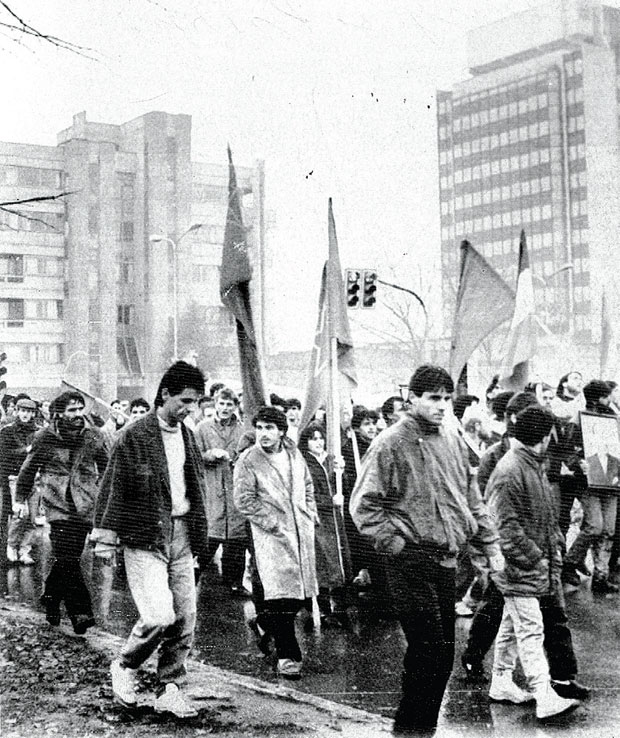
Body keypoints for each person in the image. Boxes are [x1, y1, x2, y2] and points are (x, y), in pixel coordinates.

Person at [350, 365, 503, 735]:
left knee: (443, 655)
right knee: (427, 650)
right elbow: (363, 507)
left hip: (446, 560)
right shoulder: (389, 443)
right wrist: (398, 545)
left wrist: (490, 546)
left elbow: (471, 499)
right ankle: (408, 730)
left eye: (447, 399)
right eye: (434, 398)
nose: (442, 406)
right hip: (410, 560)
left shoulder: (452, 438)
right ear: (412, 399)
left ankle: (424, 728)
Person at [92, 361, 209, 718]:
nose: (191, 409)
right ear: (166, 394)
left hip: (182, 535)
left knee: (185, 617)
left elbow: (196, 488)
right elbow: (112, 489)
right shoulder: (134, 435)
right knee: (159, 615)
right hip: (144, 536)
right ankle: (125, 666)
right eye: (186, 401)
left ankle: (169, 688)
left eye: (197, 402)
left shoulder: (188, 435)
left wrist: (200, 540)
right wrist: (106, 541)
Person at [486, 405, 582, 720]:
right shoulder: (514, 469)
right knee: (530, 628)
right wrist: (537, 558)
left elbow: (539, 519)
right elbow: (505, 528)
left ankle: (501, 681)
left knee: (514, 626)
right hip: (521, 567)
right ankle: (544, 694)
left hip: (526, 565)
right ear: (542, 437)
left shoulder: (525, 465)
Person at [234, 406, 318, 680]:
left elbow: (307, 484)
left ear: (281, 431)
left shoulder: (294, 454)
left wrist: (310, 512)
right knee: (281, 596)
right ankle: (288, 656)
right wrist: (271, 522)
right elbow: (244, 499)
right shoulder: (248, 460)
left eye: (269, 428)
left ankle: (262, 622)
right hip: (271, 536)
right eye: (259, 428)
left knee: (299, 596)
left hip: (300, 533)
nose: (263, 434)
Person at [15, 390, 108, 633]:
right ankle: (80, 612)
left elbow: (107, 468)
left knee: (69, 558)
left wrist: (104, 497)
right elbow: (28, 468)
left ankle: (51, 598)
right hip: (57, 503)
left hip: (85, 503)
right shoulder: (45, 436)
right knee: (67, 557)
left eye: (80, 409)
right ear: (59, 413)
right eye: (72, 410)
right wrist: (20, 499)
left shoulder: (93, 435)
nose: (78, 414)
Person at [563, 379, 619, 593]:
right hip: (589, 482)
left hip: (611, 482)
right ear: (600, 398)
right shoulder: (578, 420)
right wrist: (578, 463)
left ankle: (600, 575)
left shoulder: (614, 421)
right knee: (594, 525)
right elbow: (567, 451)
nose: (610, 399)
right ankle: (570, 561)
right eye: (606, 396)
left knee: (609, 530)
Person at [195, 386, 247, 595]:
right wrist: (209, 455)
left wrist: (238, 459)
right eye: (221, 404)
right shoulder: (202, 428)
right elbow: (193, 456)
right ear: (215, 404)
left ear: (235, 406)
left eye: (229, 404)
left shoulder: (243, 429)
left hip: (235, 490)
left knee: (236, 540)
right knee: (209, 539)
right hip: (212, 490)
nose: (225, 408)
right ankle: (191, 582)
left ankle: (235, 582)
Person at [298, 421, 351, 626]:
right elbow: (305, 494)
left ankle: (339, 606)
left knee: (340, 560)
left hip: (335, 519)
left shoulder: (331, 460)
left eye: (321, 438)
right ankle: (321, 610)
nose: (318, 443)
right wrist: (329, 502)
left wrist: (341, 472)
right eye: (313, 439)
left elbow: (341, 488)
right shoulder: (304, 463)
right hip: (318, 519)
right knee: (322, 563)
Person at [1, 397, 39, 564]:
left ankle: (25, 549)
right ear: (16, 411)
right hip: (15, 478)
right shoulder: (7, 431)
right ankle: (11, 546)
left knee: (32, 517)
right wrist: (26, 450)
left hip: (35, 479)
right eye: (23, 411)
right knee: (19, 515)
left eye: (29, 412)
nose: (25, 415)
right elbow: (4, 454)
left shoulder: (38, 432)